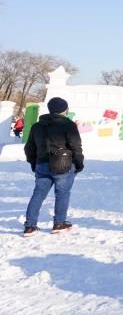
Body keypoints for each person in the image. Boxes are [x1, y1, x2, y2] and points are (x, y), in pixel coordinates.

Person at [22, 97, 84, 236]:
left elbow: (29, 148)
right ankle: (59, 223)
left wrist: (34, 163)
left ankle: (29, 226)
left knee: (38, 194)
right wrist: (79, 164)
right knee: (62, 194)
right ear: (64, 110)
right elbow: (76, 147)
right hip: (64, 166)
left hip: (42, 165)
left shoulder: (37, 126)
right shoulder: (68, 125)